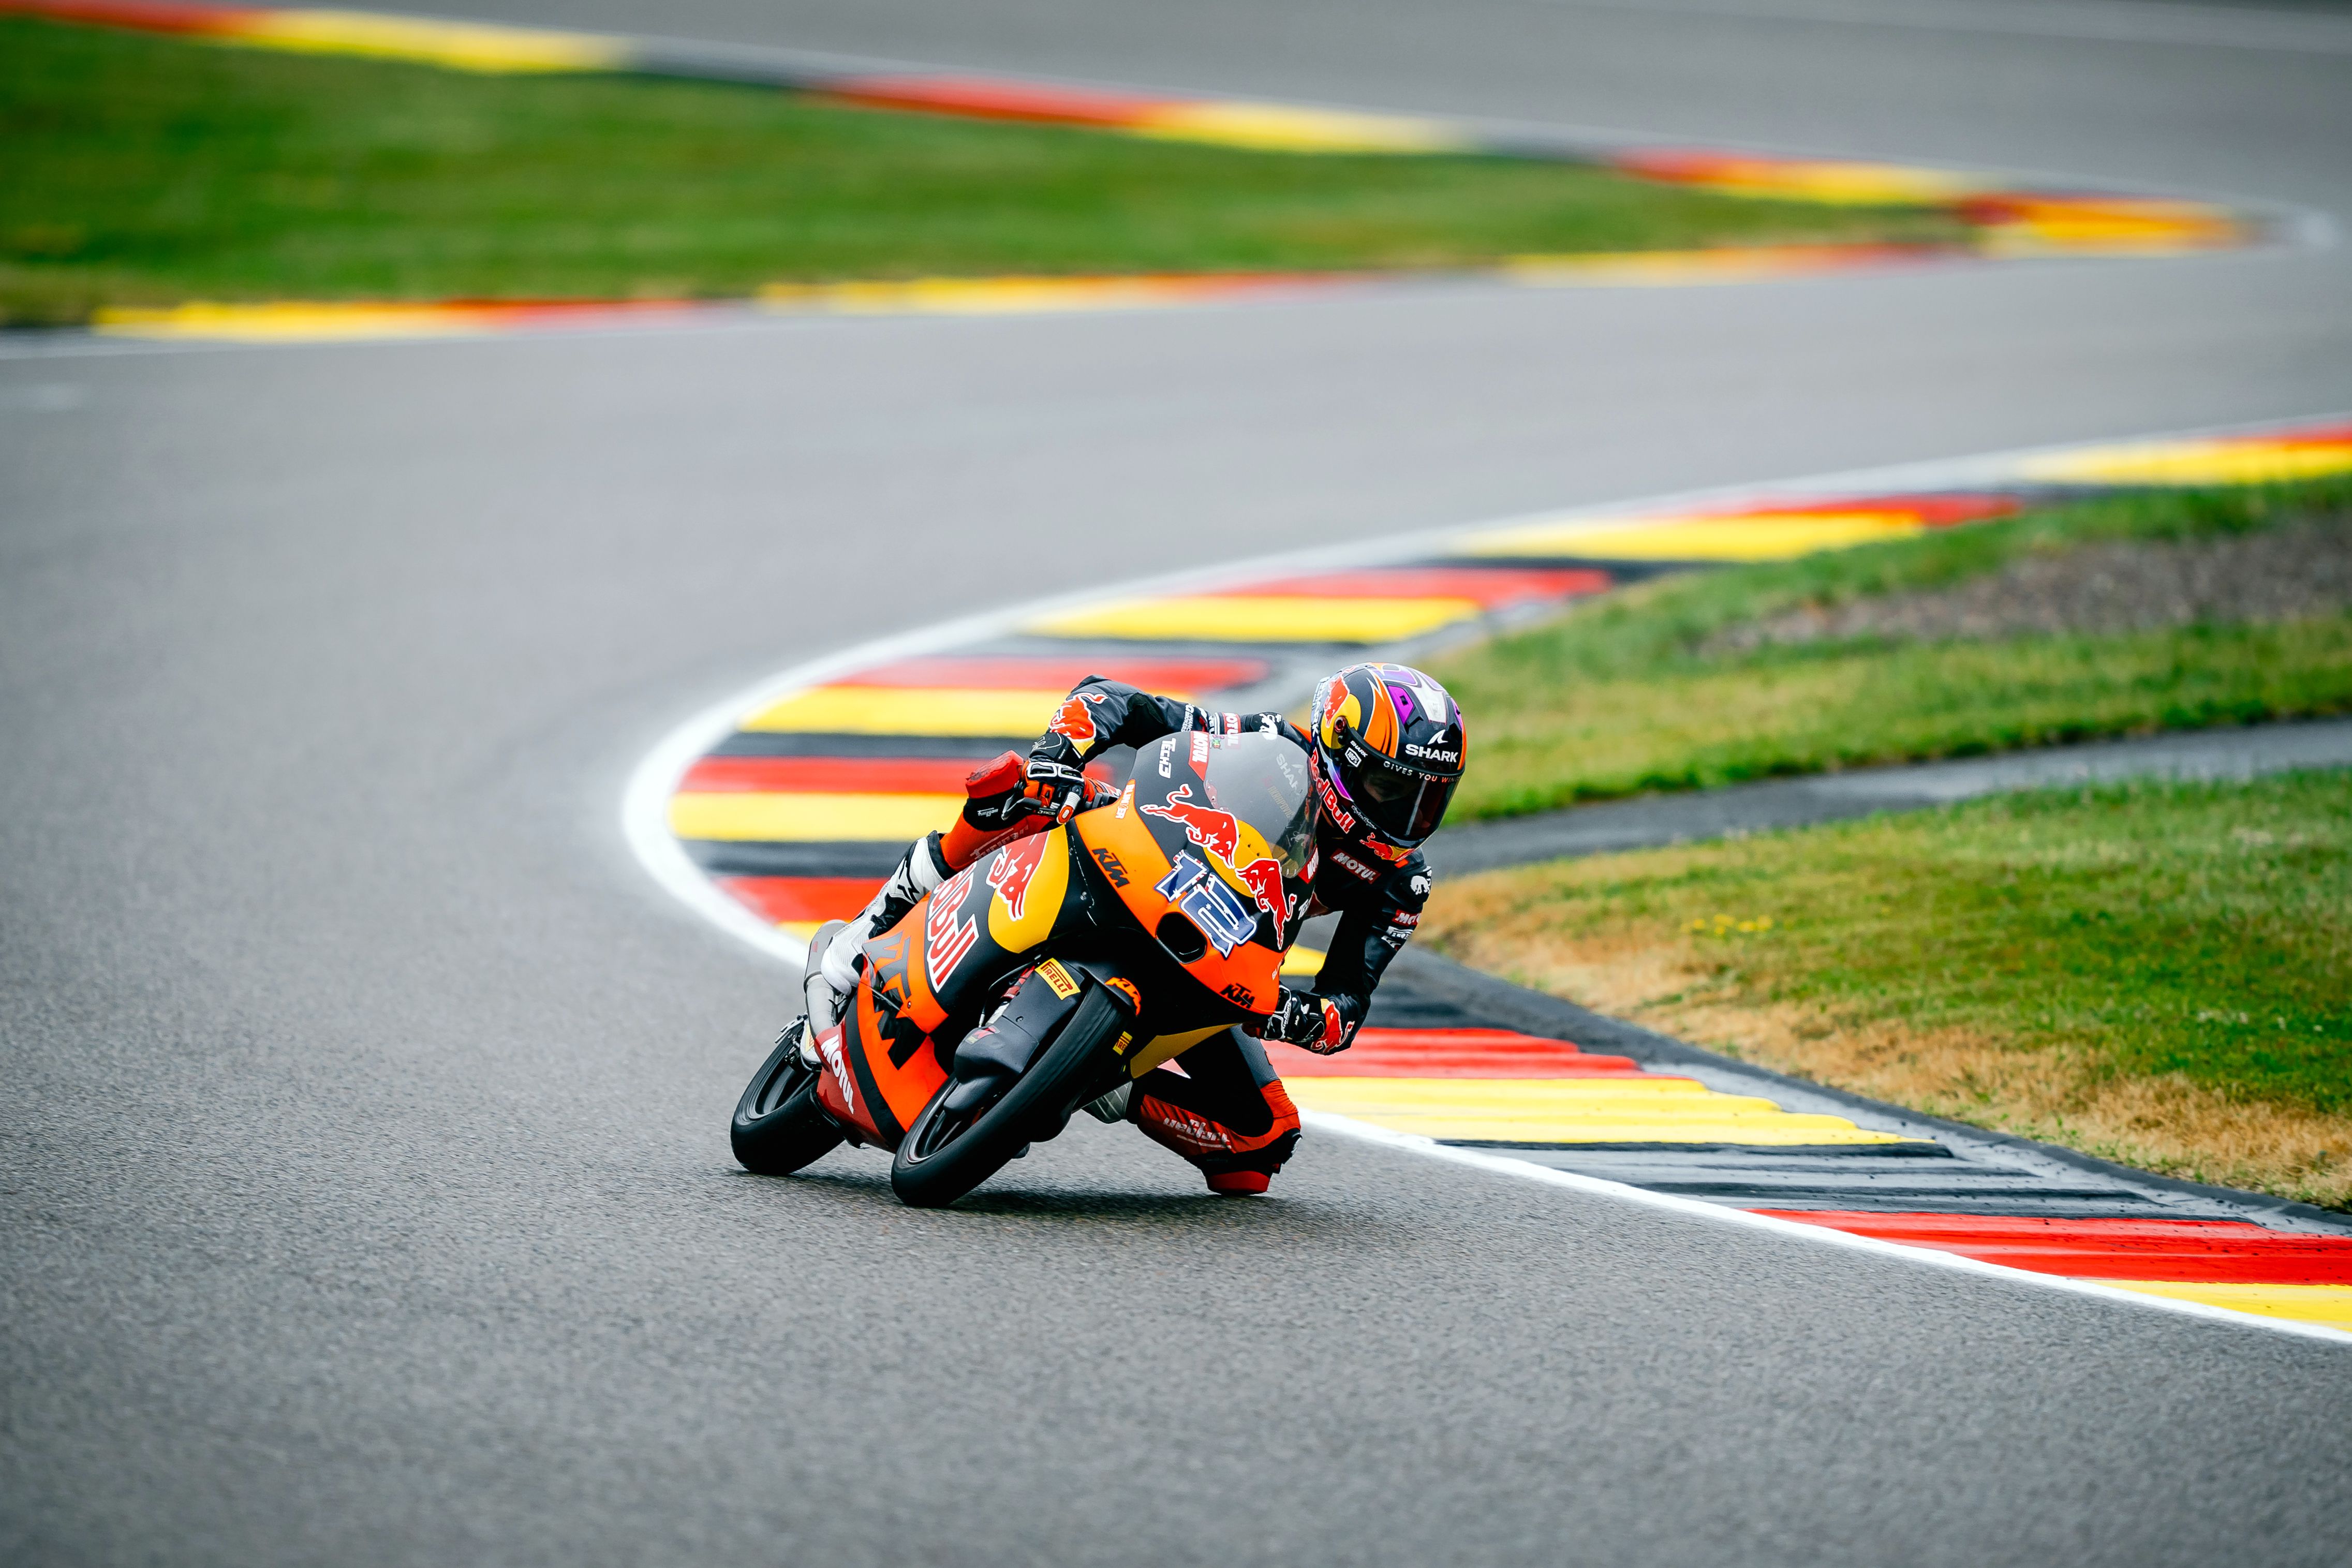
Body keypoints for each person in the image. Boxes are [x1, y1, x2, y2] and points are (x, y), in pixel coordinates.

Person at [800, 661, 1467, 1195]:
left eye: (1429, 796)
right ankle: (874, 924)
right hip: (1136, 859)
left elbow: (1347, 1002)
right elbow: (1114, 700)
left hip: (1216, 963)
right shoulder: (1271, 741)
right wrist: (1059, 757)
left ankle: (1103, 1081)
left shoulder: (1400, 882)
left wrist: (1300, 1016)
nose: (1409, 813)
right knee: (1019, 796)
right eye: (1391, 787)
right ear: (1337, 751)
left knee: (1259, 1146)